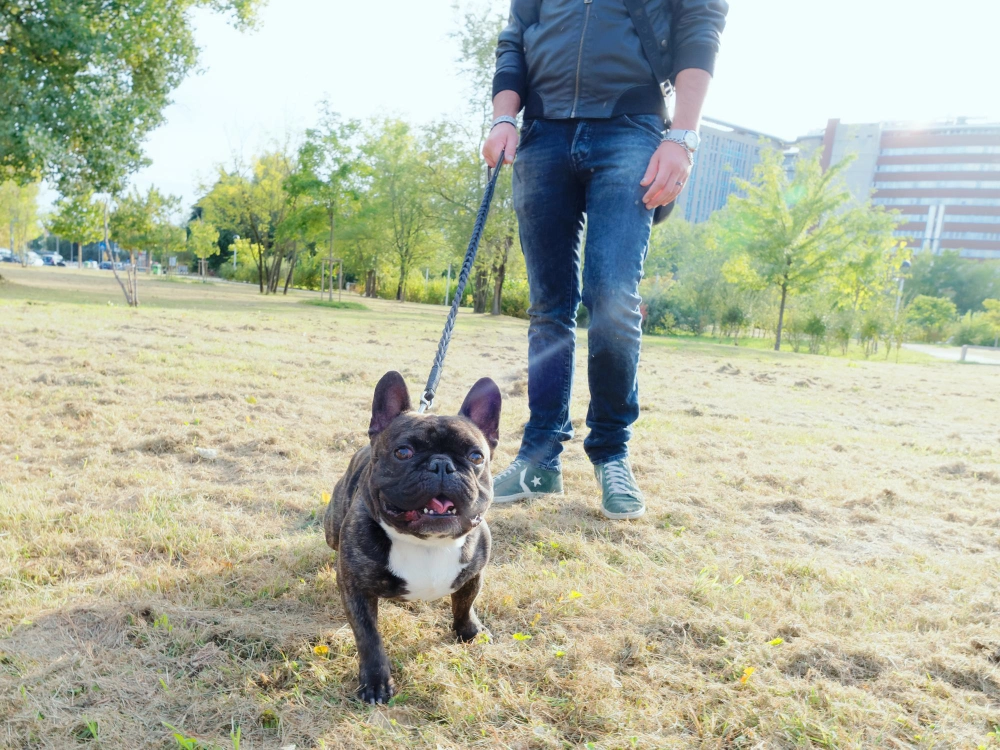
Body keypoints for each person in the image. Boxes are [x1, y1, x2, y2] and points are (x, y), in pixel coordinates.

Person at [483, 0, 728, 519]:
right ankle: (539, 457)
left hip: (630, 126)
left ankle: (612, 452)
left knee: (613, 299)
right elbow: (515, 36)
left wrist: (682, 137)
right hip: (542, 131)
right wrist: (505, 115)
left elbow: (700, 27)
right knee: (548, 307)